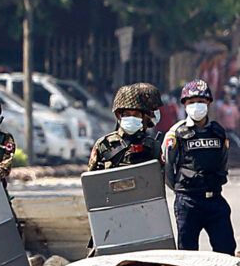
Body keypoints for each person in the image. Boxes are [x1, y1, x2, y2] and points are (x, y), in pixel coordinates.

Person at [163, 78, 236, 255]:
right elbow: (167, 167)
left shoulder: (218, 131)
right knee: (188, 256)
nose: (197, 106)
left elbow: (223, 161)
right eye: (192, 102)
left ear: (209, 103)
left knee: (226, 251)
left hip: (215, 200)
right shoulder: (176, 133)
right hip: (188, 202)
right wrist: (181, 190)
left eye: (201, 102)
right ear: (185, 105)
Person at [87, 84, 162, 171]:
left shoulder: (152, 146)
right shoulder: (103, 145)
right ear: (119, 116)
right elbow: (91, 179)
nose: (132, 118)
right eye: (127, 114)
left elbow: (160, 178)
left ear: (142, 117)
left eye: (136, 115)